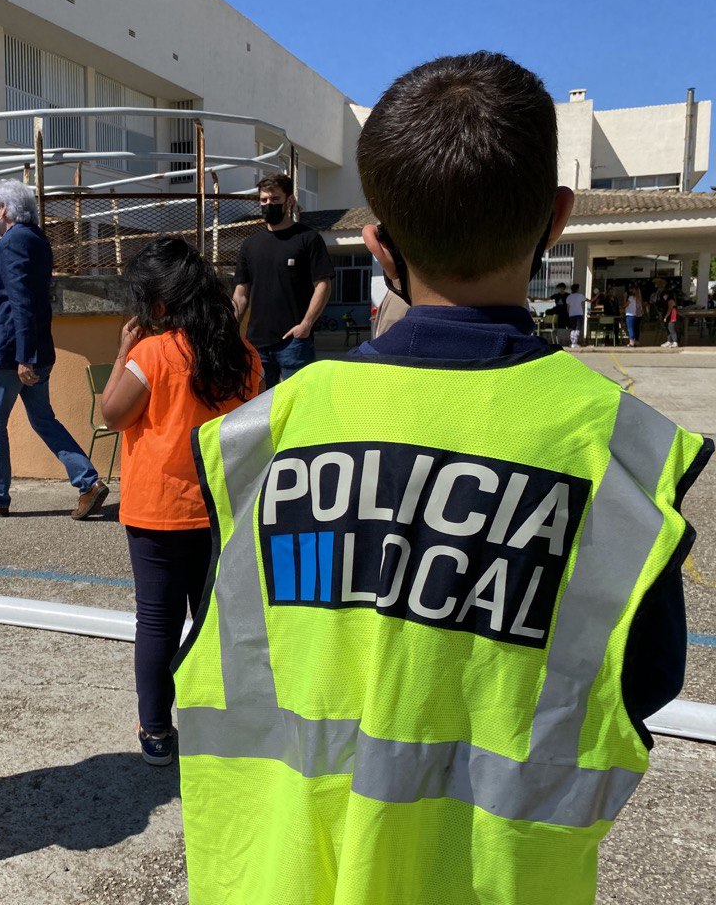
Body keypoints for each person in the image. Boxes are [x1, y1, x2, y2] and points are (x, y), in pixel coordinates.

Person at [174, 52, 711, 905]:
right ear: (558, 220)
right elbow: (641, 684)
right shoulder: (618, 454)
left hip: (281, 878)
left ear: (377, 243)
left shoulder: (258, 439)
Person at [99, 239, 261, 767]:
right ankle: (219, 720)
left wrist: (124, 352)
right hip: (223, 509)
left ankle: (157, 731)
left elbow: (112, 415)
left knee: (157, 622)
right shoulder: (242, 354)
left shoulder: (152, 353)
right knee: (215, 622)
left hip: (158, 511)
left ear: (160, 305)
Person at [0, 178, 109, 519]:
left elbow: (20, 302)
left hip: (12, 350)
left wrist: (24, 357)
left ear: (6, 209)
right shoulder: (29, 239)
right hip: (30, 347)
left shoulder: (16, 242)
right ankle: (88, 484)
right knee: (43, 419)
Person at [232, 172, 334, 385]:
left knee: (299, 405)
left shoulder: (308, 239)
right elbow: (241, 294)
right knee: (258, 411)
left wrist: (305, 325)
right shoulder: (250, 245)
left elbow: (323, 285)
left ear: (290, 201)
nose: (268, 204)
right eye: (264, 200)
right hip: (256, 343)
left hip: (295, 342)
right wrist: (230, 329)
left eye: (275, 199)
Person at [567, 281, 586, 347]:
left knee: (573, 328)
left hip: (571, 314)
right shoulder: (580, 296)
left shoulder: (569, 297)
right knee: (578, 328)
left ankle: (572, 342)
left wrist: (569, 313)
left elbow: (568, 307)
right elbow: (590, 300)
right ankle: (574, 343)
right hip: (579, 313)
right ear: (577, 289)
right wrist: (597, 295)